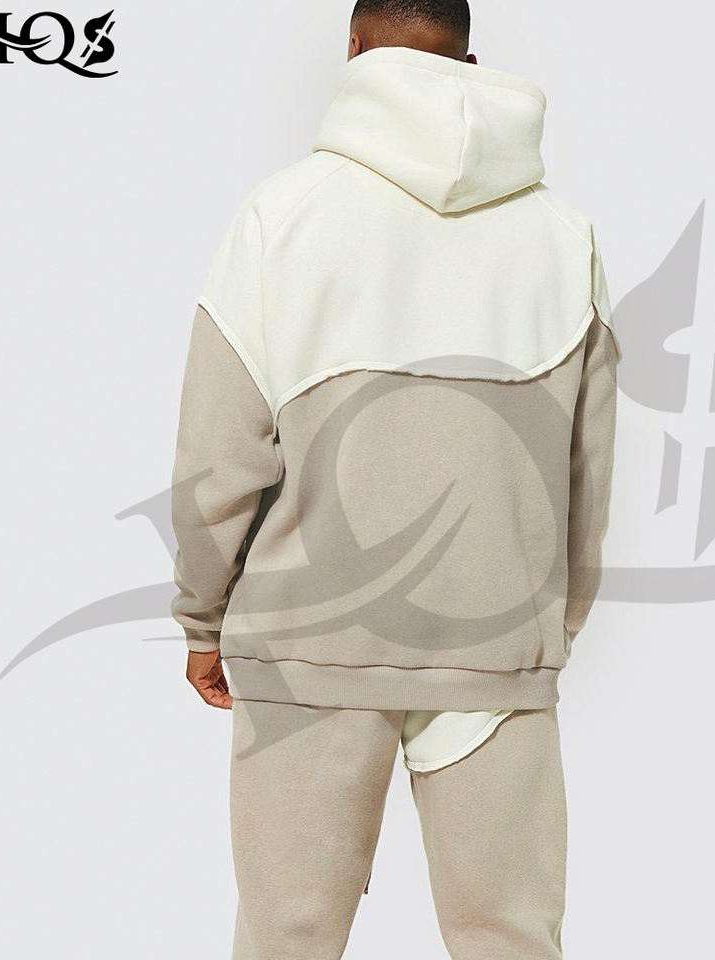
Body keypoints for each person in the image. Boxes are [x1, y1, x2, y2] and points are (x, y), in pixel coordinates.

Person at [171, 1, 618, 956]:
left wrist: (203, 620)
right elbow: (588, 470)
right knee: (511, 939)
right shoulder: (561, 236)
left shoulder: (283, 216)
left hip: (308, 640)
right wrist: (545, 634)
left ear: (355, 50)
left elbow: (219, 452)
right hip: (496, 642)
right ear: (469, 61)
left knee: (287, 937)